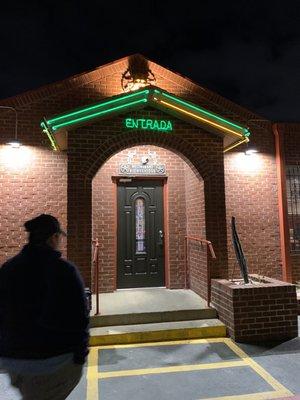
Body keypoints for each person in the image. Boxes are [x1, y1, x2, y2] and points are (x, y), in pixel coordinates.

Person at [0, 214, 89, 399]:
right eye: (59, 237)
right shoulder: (64, 271)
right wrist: (80, 355)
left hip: (13, 360)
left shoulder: (9, 269)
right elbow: (80, 318)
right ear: (53, 238)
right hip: (52, 361)